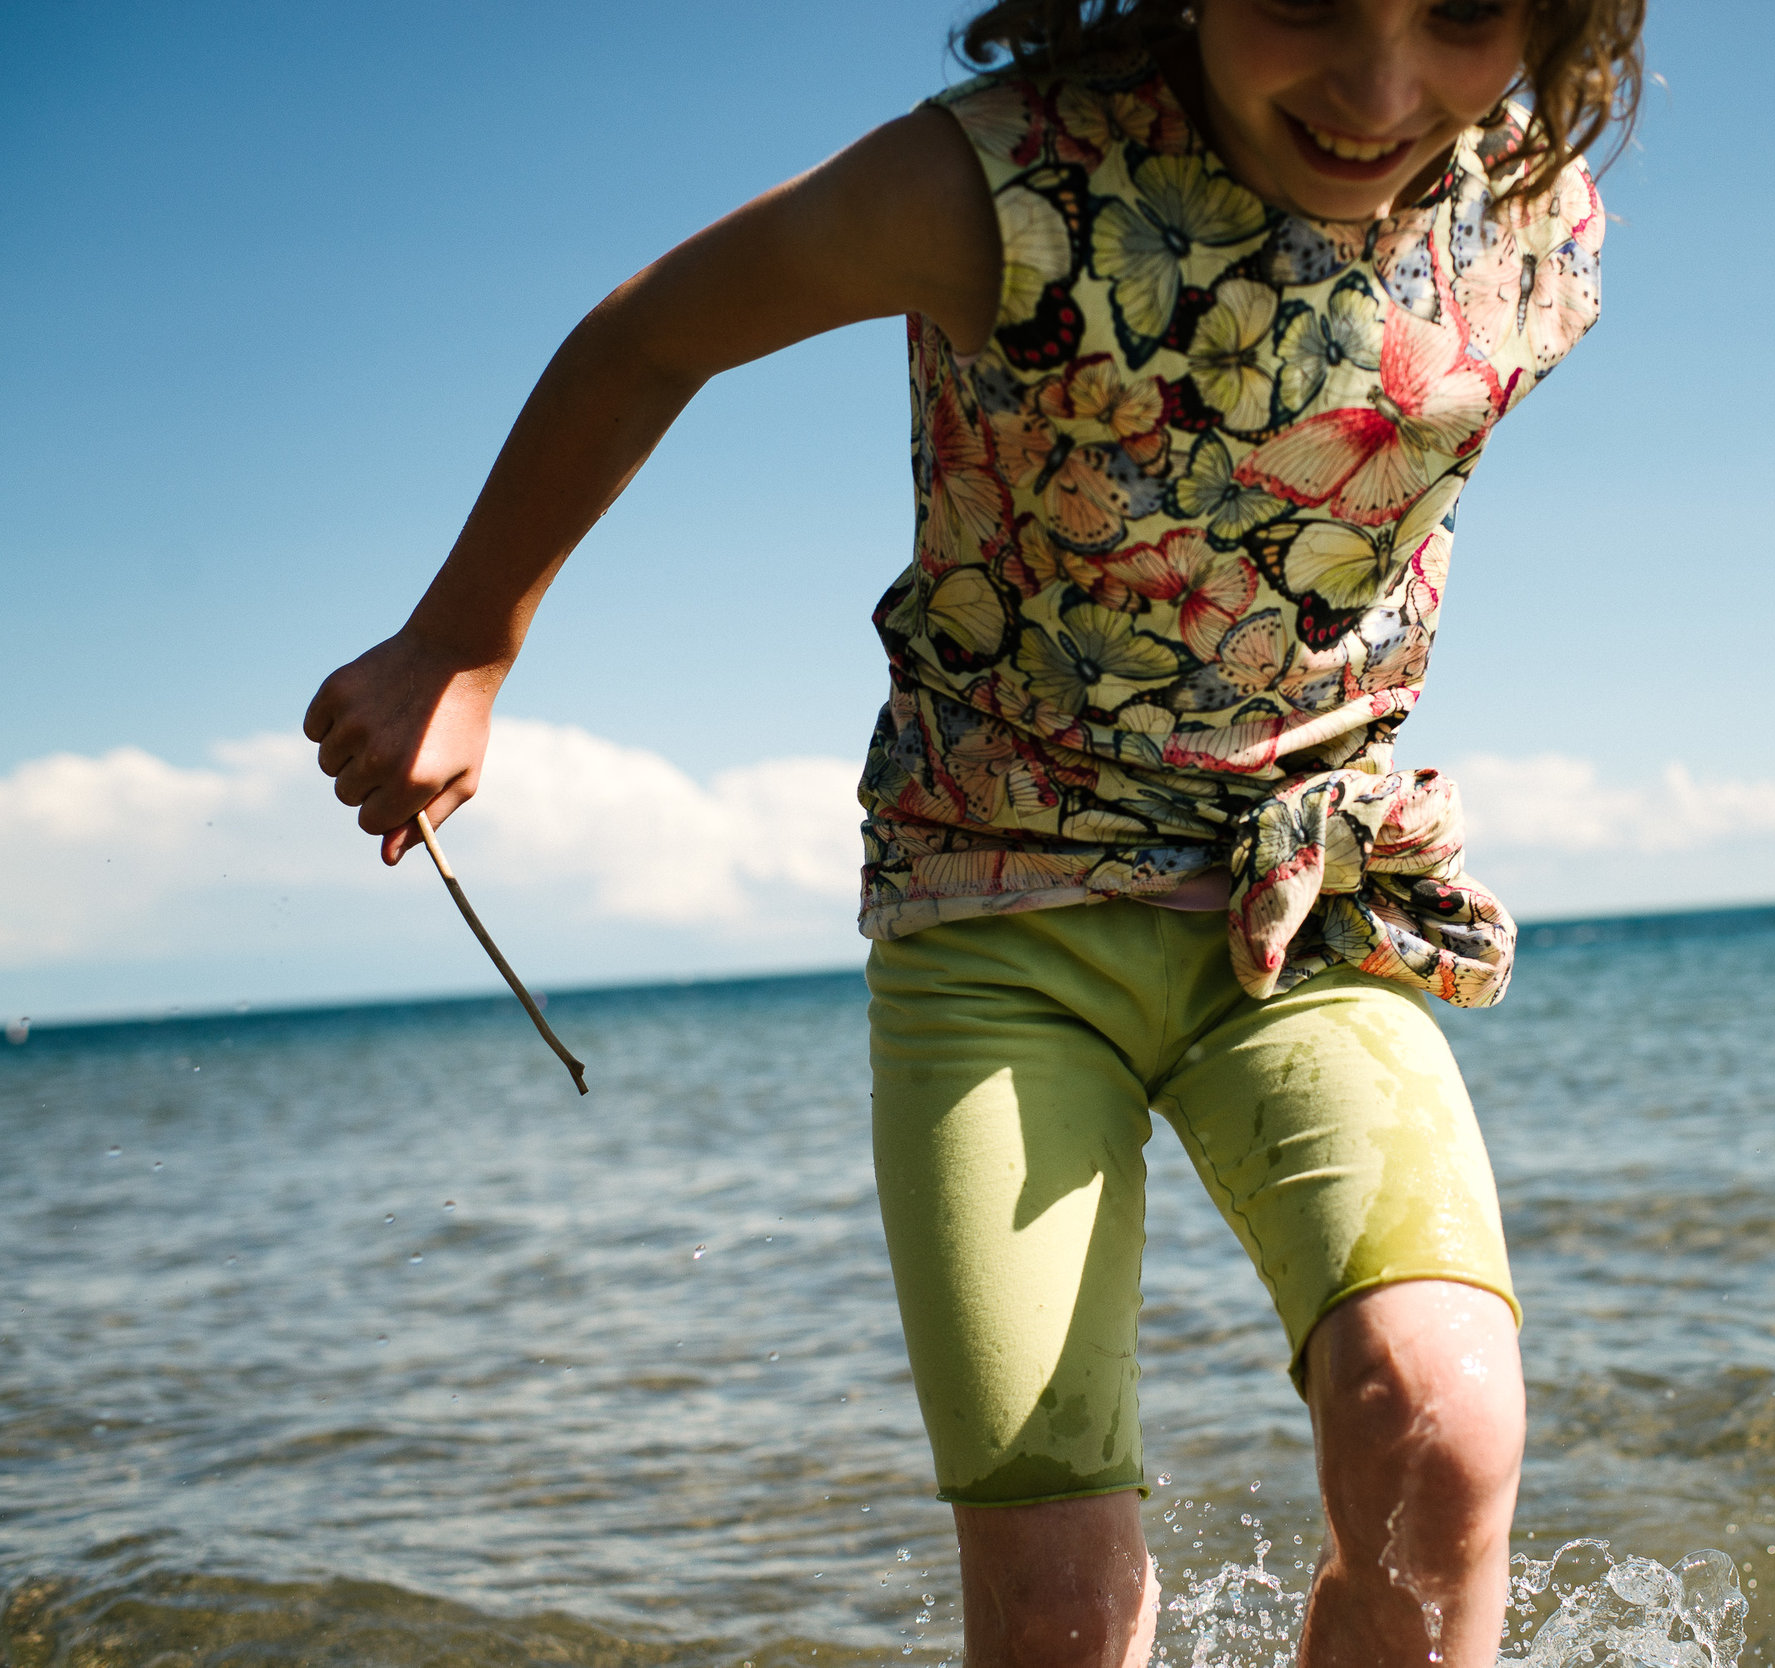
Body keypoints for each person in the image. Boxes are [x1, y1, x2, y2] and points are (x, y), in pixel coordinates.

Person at [303, 1, 1642, 1661]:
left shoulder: (1534, 212)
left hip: (1296, 904)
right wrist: (460, 645)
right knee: (1062, 1611)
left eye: (1455, 14)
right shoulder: (1004, 184)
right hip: (997, 921)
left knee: (1437, 1439)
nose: (1377, 93)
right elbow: (658, 333)